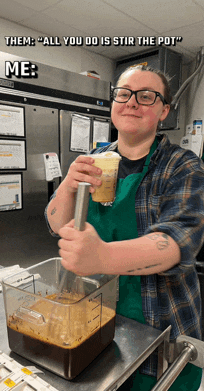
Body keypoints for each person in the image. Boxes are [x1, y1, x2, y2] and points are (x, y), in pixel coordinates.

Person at [45, 65, 204, 390]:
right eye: (124, 93)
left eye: (146, 96)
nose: (132, 102)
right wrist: (67, 187)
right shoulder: (93, 160)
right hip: (91, 321)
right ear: (114, 103)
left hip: (160, 332)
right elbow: (55, 224)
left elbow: (176, 244)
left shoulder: (183, 167)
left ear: (164, 111)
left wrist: (100, 257)